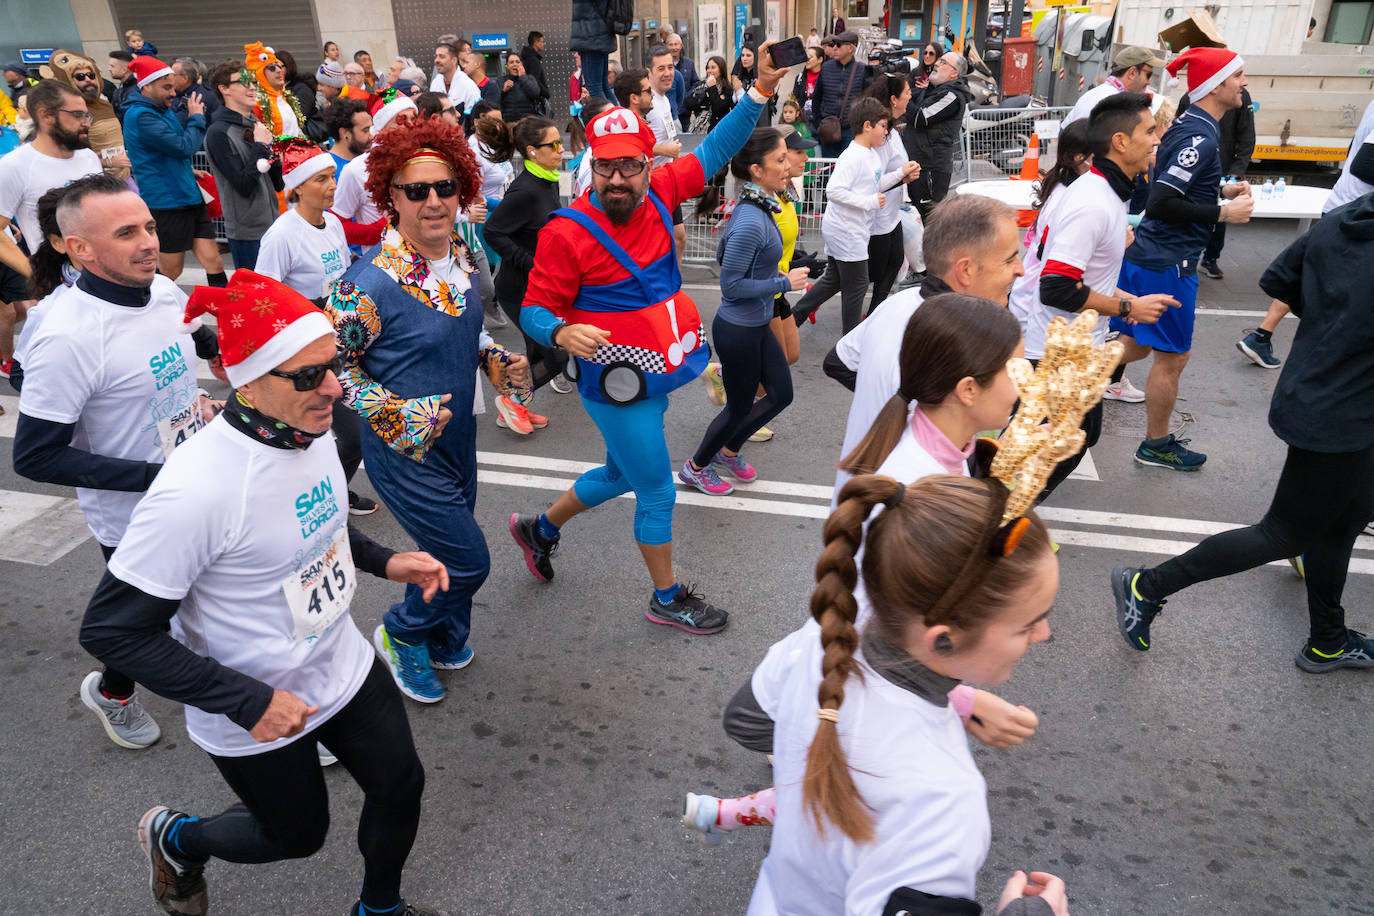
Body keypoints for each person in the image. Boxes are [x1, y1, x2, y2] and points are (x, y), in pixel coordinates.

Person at [79, 268, 451, 916]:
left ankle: (380, 909)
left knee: (401, 786)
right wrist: (246, 699)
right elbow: (112, 631)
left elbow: (313, 527)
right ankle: (178, 837)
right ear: (246, 380)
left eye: (332, 365)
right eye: (308, 375)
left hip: (340, 663)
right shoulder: (196, 490)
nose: (334, 387)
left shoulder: (321, 428)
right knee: (295, 836)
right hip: (254, 700)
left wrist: (386, 561)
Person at [509, 44, 791, 635]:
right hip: (614, 381)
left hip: (657, 366)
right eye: (605, 166)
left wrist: (760, 91)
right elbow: (534, 309)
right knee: (657, 491)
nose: (617, 178)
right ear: (591, 163)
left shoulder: (664, 191)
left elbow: (714, 149)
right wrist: (559, 330)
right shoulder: (567, 234)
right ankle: (666, 597)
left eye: (629, 166)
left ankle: (540, 529)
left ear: (645, 162)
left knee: (619, 475)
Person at [728, 469, 1062, 914]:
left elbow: (745, 719)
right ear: (942, 639)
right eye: (1027, 623)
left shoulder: (818, 645)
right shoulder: (941, 800)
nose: (1043, 633)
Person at [1112, 187, 1374, 673]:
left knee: (1342, 524)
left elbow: (1281, 280)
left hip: (1321, 393)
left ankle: (1328, 640)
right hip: (1344, 413)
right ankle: (1146, 586)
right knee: (1284, 533)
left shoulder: (1345, 219)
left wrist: (1336, 328)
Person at [326, 114, 531, 704]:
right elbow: (329, 366)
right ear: (390, 197)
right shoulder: (367, 283)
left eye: (445, 187)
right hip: (403, 451)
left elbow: (463, 335)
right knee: (468, 562)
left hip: (458, 438)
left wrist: (497, 360)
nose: (434, 201)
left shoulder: (461, 255)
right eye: (417, 190)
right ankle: (401, 633)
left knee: (448, 553)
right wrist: (393, 414)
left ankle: (443, 635)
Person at [13, 173, 220, 750]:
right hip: (133, 513)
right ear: (77, 247)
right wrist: (157, 477)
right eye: (126, 233)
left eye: (150, 227)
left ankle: (276, 712)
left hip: (200, 484)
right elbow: (35, 456)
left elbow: (202, 343)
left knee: (224, 604)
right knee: (148, 624)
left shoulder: (162, 291)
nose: (149, 242)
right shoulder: (67, 336)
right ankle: (115, 692)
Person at [1012, 92, 1178, 498]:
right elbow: (1056, 286)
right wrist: (1126, 306)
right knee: (1065, 440)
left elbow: (1081, 277)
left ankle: (997, 517)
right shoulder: (1094, 202)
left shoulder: (1105, 194)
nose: (1157, 139)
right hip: (1057, 349)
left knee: (1069, 436)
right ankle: (997, 522)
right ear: (1120, 142)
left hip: (1069, 346)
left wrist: (1125, 302)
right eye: (1150, 130)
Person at [1112, 47, 1253, 472]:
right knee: (1171, 359)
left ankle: (1058, 379)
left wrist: (1217, 191)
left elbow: (1174, 181)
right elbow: (1162, 202)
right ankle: (1156, 445)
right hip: (1169, 263)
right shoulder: (1200, 135)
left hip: (1151, 257)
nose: (1244, 84)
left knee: (1133, 346)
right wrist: (1224, 212)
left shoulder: (1192, 125)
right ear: (1217, 84)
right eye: (1239, 76)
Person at [824, 194, 1023, 495]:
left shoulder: (899, 303)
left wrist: (889, 402)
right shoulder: (955, 342)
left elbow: (837, 362)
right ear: (966, 270)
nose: (1021, 269)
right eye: (1009, 258)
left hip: (859, 504)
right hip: (907, 513)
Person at [682, 129, 807, 495]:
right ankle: (697, 466)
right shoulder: (753, 218)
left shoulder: (761, 204)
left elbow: (727, 255)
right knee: (737, 409)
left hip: (755, 325)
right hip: (738, 330)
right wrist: (784, 283)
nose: (788, 166)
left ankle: (729, 449)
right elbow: (731, 285)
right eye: (780, 160)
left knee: (781, 394)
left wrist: (773, 274)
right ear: (756, 169)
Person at [1236, 98, 1374, 370]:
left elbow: (1355, 151)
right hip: (1357, 219)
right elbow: (1364, 165)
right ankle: (1317, 368)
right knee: (1339, 303)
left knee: (1315, 281)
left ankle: (1262, 336)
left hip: (1347, 209)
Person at [790, 97, 903, 334]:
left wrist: (901, 173)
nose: (886, 132)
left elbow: (874, 183)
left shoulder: (871, 154)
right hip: (846, 231)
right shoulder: (853, 156)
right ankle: (850, 343)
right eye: (883, 125)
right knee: (858, 285)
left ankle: (792, 319)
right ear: (867, 126)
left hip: (853, 228)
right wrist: (868, 202)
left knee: (835, 279)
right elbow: (833, 191)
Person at [483, 115, 570, 420]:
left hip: (539, 288)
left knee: (541, 353)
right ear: (533, 151)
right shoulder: (526, 191)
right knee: (556, 353)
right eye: (554, 144)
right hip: (518, 290)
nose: (562, 149)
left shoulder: (547, 181)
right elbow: (493, 230)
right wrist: (531, 264)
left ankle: (516, 407)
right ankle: (511, 402)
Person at [121, 56, 228, 283]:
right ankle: (148, 308)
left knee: (214, 262)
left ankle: (229, 316)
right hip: (167, 203)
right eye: (166, 87)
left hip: (189, 196)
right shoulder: (141, 115)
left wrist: (187, 170)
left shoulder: (160, 108)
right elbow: (183, 147)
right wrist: (196, 118)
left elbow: (167, 151)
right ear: (147, 85)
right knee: (171, 271)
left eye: (173, 86)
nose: (173, 93)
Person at [204, 60, 284, 271]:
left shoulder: (256, 125)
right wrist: (259, 146)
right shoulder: (218, 133)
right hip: (247, 233)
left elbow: (278, 183)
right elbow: (243, 184)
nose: (251, 87)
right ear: (224, 89)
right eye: (243, 82)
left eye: (253, 82)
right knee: (258, 298)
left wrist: (274, 155)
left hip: (273, 224)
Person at [861, 73, 922, 309]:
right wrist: (902, 175)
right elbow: (873, 181)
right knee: (862, 276)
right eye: (907, 93)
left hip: (892, 215)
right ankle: (806, 307)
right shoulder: (882, 137)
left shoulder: (893, 132)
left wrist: (905, 175)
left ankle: (875, 312)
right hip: (877, 217)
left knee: (895, 263)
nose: (910, 97)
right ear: (894, 99)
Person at [903, 51, 973, 219]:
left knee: (931, 221)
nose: (936, 64)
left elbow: (920, 117)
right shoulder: (930, 90)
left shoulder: (953, 95)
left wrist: (903, 99)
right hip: (918, 165)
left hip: (932, 168)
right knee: (919, 217)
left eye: (943, 62)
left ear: (954, 73)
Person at [333, 89, 418, 225]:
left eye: (413, 119)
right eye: (400, 121)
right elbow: (338, 222)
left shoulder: (424, 159)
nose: (410, 126)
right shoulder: (356, 170)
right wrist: (375, 233)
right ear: (381, 128)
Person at [1062, 46, 1162, 126]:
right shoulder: (1106, 99)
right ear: (1132, 73)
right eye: (1148, 75)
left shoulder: (1110, 95)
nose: (1149, 82)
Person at [809, 31, 867, 156]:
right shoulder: (826, 67)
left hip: (852, 130)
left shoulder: (862, 69)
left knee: (850, 168)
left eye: (838, 45)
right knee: (828, 170)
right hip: (828, 128)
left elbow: (867, 101)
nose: (834, 48)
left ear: (851, 48)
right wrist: (819, 124)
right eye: (833, 44)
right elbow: (816, 97)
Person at [243, 42, 303, 138]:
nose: (279, 70)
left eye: (279, 66)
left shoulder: (284, 96)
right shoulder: (257, 103)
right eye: (271, 67)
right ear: (260, 73)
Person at [571, 0, 615, 102]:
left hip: (590, 37)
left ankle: (609, 117)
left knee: (594, 88)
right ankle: (617, 116)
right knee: (603, 86)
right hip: (600, 35)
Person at [325, 97, 371, 174]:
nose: (371, 136)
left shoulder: (368, 161)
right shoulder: (329, 170)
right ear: (345, 133)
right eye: (365, 130)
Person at [685, 56, 732, 132]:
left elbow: (718, 109)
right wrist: (705, 102)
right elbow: (688, 104)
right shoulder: (701, 84)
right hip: (698, 128)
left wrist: (712, 87)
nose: (709, 70)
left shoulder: (727, 88)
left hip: (718, 129)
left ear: (721, 69)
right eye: (708, 68)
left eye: (713, 67)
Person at [431, 42, 478, 114]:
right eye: (436, 56)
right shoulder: (436, 82)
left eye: (442, 56)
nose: (436, 60)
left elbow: (473, 118)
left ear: (454, 60)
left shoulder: (469, 86)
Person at [170, 58, 218, 127]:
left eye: (173, 75)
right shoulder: (177, 93)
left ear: (185, 79)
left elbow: (176, 124)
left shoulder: (198, 98)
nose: (169, 78)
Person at [499, 52, 543, 122]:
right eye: (511, 62)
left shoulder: (529, 78)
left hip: (528, 122)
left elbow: (535, 93)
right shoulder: (501, 81)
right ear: (507, 66)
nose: (515, 64)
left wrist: (522, 77)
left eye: (517, 62)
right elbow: (496, 102)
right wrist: (504, 91)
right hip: (509, 123)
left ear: (521, 64)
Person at [461, 44, 501, 110]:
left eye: (467, 62)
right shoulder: (466, 87)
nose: (463, 66)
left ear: (477, 64)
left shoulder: (491, 87)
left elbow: (489, 112)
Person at [519, 31, 550, 114]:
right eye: (542, 41)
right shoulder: (534, 60)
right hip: (536, 102)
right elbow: (535, 80)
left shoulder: (525, 58)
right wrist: (546, 93)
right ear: (536, 43)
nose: (543, 44)